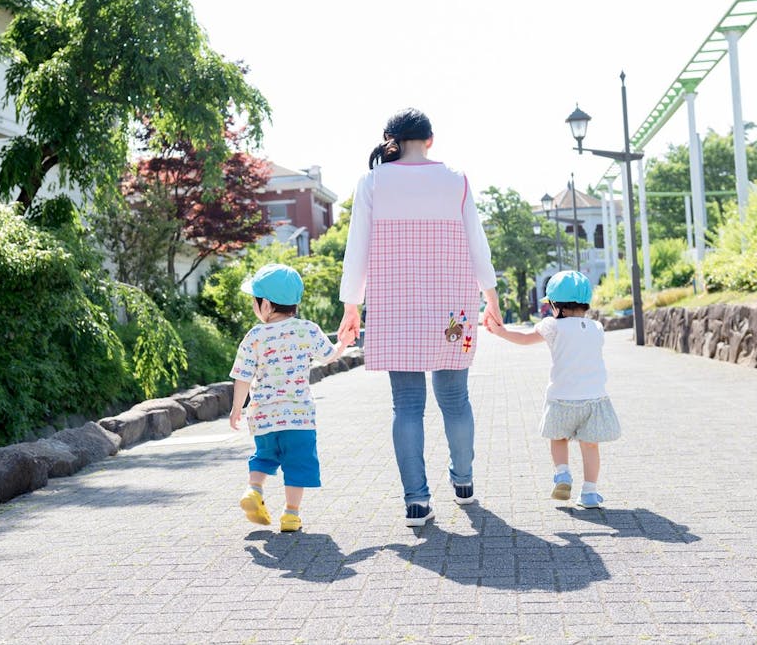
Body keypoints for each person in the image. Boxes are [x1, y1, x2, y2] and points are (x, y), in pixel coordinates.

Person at [337, 108, 503, 527]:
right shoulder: (457, 181)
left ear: (392, 140)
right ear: (430, 140)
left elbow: (356, 247)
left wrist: (351, 306)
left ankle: (416, 501)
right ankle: (463, 481)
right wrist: (491, 297)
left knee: (406, 407)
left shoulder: (372, 183)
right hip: (455, 310)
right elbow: (477, 244)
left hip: (395, 308)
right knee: (456, 400)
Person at [484, 270, 621, 508]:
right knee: (590, 445)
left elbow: (525, 338)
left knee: (558, 438)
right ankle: (589, 492)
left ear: (555, 305)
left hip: (561, 399)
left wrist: (501, 332)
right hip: (594, 399)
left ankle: (563, 473)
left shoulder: (552, 326)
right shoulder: (597, 327)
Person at [229, 263, 346, 532]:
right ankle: (291, 514)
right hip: (299, 417)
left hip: (263, 415)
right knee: (297, 464)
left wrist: (237, 407)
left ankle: (254, 489)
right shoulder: (307, 329)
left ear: (267, 305)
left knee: (263, 457)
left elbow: (243, 376)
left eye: (254, 302)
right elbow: (329, 355)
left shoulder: (254, 336)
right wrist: (343, 343)